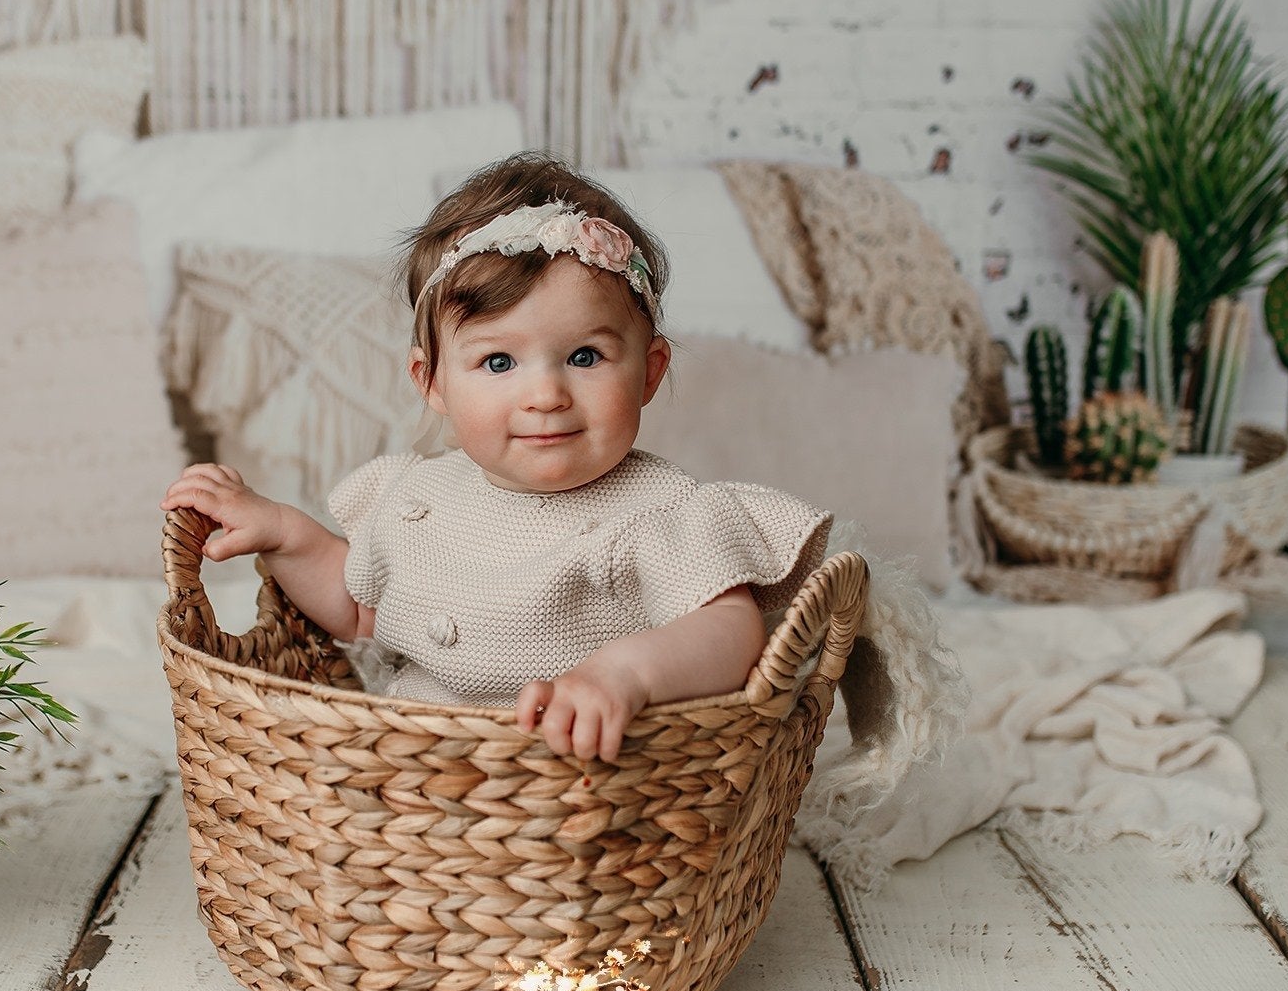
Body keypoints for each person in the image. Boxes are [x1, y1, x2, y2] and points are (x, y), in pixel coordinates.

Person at [160, 152, 831, 765]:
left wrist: (624, 675)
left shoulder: (657, 510)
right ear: (433, 382)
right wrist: (284, 532)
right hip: (412, 787)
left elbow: (732, 629)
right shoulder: (416, 494)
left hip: (580, 790)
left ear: (650, 372)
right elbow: (361, 612)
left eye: (586, 357)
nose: (545, 395)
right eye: (499, 361)